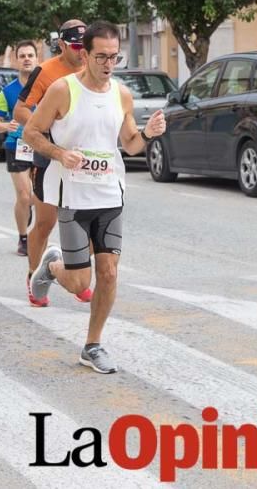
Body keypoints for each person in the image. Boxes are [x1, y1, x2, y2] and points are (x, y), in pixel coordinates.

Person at [25, 21, 166, 374]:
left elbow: (130, 144)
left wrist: (148, 134)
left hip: (109, 194)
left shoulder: (122, 95)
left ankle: (92, 345)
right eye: (101, 56)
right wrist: (59, 154)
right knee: (78, 282)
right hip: (72, 196)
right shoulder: (62, 90)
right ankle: (52, 267)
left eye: (114, 57)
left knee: (109, 273)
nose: (107, 64)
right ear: (84, 54)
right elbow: (31, 132)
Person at [13, 19, 90, 307]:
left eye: (85, 45)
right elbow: (21, 109)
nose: (81, 51)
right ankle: (35, 276)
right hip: (49, 155)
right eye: (75, 46)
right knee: (45, 222)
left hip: (84, 157)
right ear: (61, 44)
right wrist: (44, 129)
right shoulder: (45, 71)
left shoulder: (92, 67)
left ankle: (76, 274)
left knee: (87, 222)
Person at [0, 40, 38, 256]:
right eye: (22, 56)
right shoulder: (8, 92)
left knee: (40, 197)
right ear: (16, 61)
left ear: (37, 59)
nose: (26, 59)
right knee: (24, 196)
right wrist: (6, 125)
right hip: (17, 146)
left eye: (30, 55)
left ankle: (30, 210)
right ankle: (23, 238)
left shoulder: (49, 88)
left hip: (44, 146)